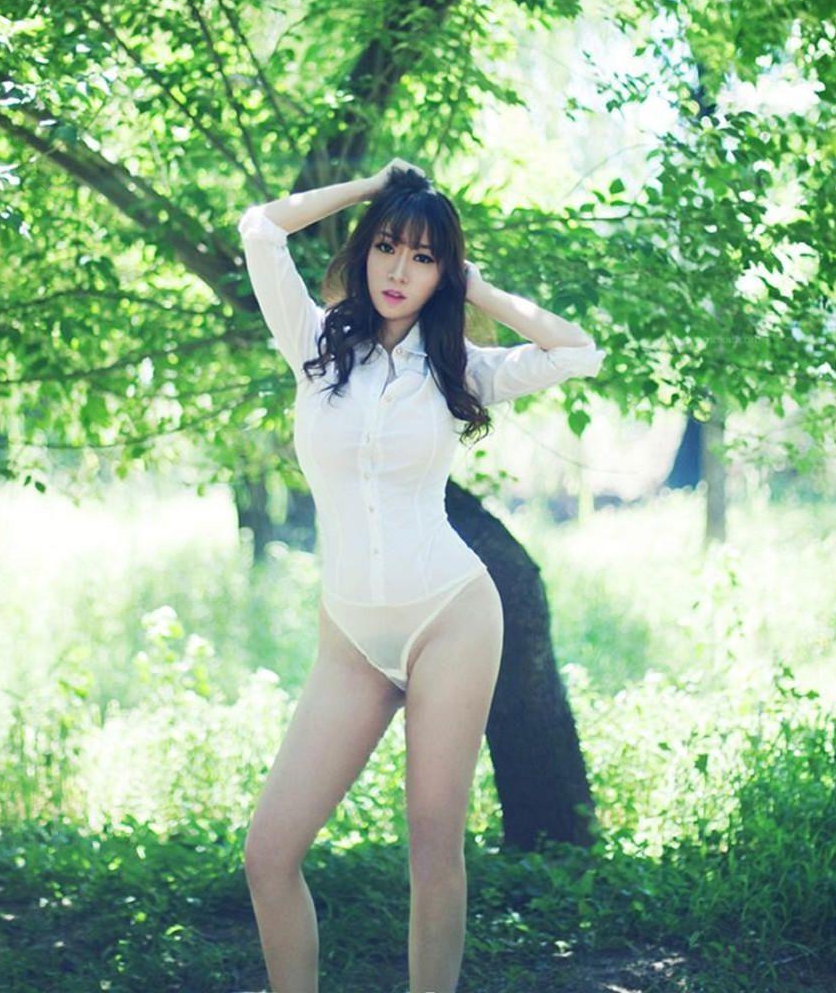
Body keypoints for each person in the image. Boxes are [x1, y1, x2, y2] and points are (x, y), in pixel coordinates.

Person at [236, 159, 605, 993]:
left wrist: (478, 287)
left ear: (444, 273)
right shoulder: (314, 344)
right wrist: (372, 187)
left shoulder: (459, 368)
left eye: (424, 257)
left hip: (450, 616)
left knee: (434, 850)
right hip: (351, 638)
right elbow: (261, 228)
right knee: (268, 855)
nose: (400, 270)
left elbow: (580, 352)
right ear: (366, 250)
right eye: (388, 247)